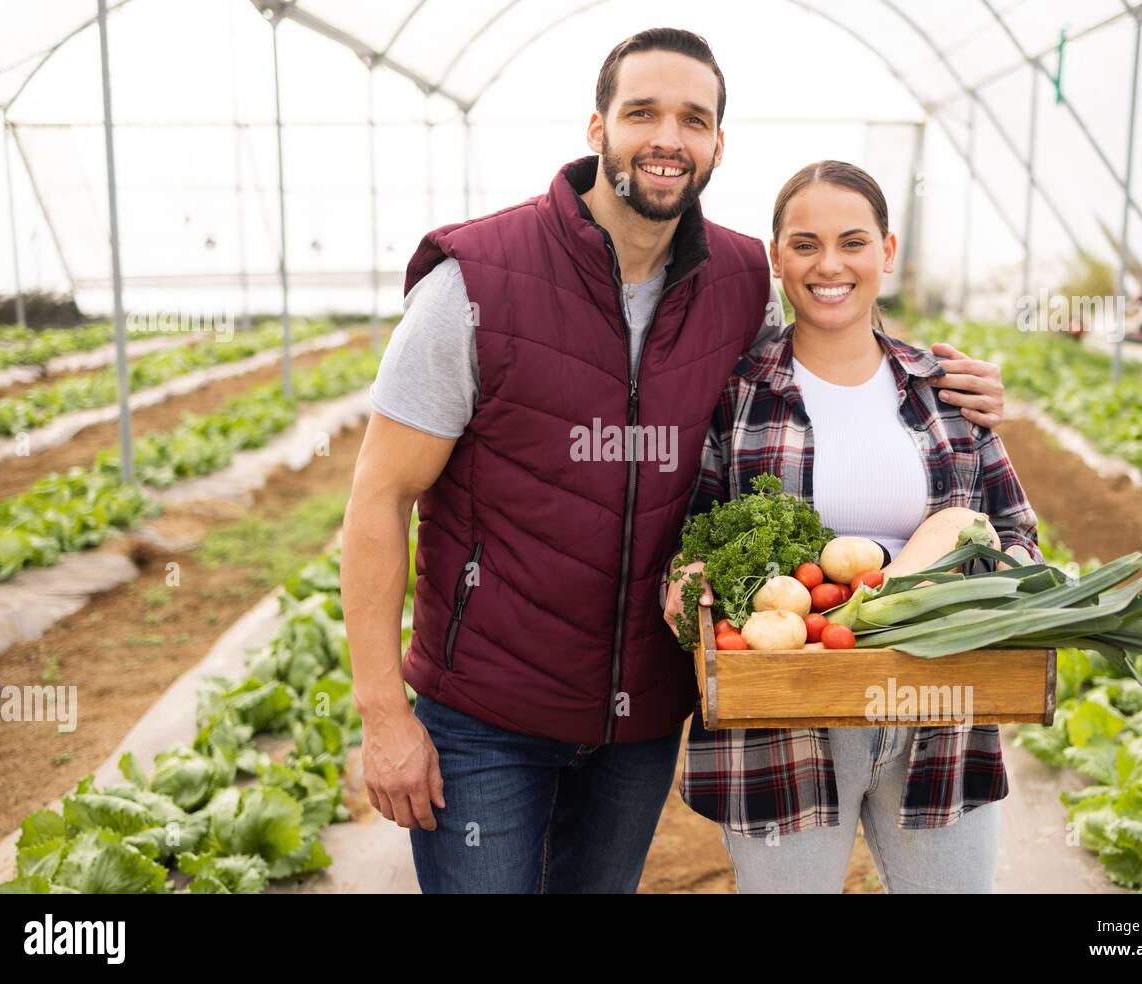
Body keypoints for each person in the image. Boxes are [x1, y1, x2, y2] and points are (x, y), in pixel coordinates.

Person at [341, 28, 1008, 894]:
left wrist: (949, 383)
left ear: (718, 145)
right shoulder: (475, 282)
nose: (667, 138)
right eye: (642, 113)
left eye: (693, 119)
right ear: (596, 128)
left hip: (641, 719)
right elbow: (379, 497)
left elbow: (828, 369)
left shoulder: (734, 278)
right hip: (487, 715)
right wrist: (383, 713)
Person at [663, 160, 1043, 894]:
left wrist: (985, 585)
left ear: (887, 252)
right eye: (804, 244)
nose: (828, 265)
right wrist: (687, 583)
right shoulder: (737, 394)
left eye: (852, 241)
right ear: (777, 258)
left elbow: (1017, 533)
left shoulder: (946, 390)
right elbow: (691, 537)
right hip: (782, 715)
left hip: (938, 708)